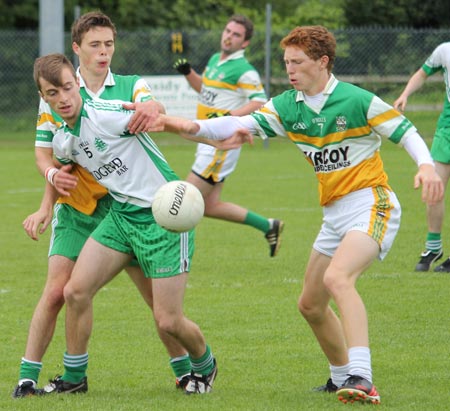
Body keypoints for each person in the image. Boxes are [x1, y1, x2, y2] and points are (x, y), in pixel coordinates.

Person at [154, 25, 444, 405]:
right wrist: (174, 124)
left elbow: (406, 132)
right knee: (310, 304)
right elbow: (231, 125)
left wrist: (426, 167)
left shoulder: (357, 100)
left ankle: (363, 377)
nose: (289, 69)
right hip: (335, 213)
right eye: (286, 61)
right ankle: (340, 376)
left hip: (372, 203)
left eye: (298, 62)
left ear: (323, 62)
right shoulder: (287, 106)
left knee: (339, 278)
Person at [32, 53, 244, 395]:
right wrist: (48, 198)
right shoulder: (63, 140)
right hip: (121, 217)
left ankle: (205, 365)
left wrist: (219, 135)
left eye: (68, 88)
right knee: (75, 291)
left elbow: (166, 122)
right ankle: (74, 379)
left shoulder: (106, 114)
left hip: (165, 215)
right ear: (45, 99)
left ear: (77, 84)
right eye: (53, 93)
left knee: (168, 320)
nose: (63, 98)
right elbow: (57, 166)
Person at [13, 11, 190, 398]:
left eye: (109, 44)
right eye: (95, 45)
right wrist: (47, 196)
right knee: (59, 291)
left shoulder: (128, 86)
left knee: (156, 301)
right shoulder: (56, 93)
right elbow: (52, 158)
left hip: (126, 209)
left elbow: (151, 108)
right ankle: (29, 378)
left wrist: (153, 110)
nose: (103, 51)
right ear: (77, 49)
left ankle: (185, 372)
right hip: (77, 208)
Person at [173, 14, 284, 258]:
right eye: (227, 31)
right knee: (210, 206)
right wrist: (188, 72)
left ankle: (167, 255)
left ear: (244, 43)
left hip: (220, 145)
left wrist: (229, 115)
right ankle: (268, 226)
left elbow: (259, 101)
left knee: (179, 201)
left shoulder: (245, 71)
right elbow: (204, 90)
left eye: (236, 35)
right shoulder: (215, 59)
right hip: (206, 139)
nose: (229, 36)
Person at [393, 42, 450, 272]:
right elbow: (422, 73)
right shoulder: (444, 50)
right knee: (434, 186)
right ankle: (433, 247)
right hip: (448, 124)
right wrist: (404, 94)